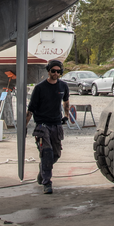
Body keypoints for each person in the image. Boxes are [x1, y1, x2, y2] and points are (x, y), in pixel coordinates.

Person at [26, 59, 69, 194]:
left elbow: (66, 102)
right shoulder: (39, 88)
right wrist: (24, 126)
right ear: (48, 71)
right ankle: (47, 183)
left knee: (56, 154)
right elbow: (31, 109)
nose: (56, 73)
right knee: (47, 153)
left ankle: (43, 169)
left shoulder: (63, 86)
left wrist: (66, 116)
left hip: (56, 124)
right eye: (53, 71)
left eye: (58, 71)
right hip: (42, 125)